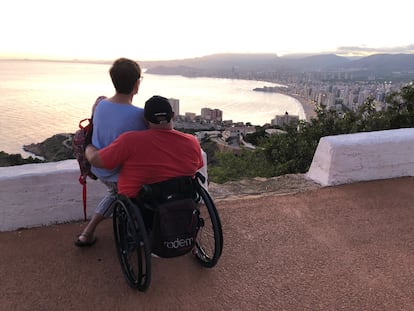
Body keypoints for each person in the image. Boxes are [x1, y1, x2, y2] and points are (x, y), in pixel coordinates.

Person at [75, 58, 147, 247]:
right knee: (118, 193)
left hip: (98, 166)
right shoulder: (139, 115)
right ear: (136, 84)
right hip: (118, 173)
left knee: (114, 192)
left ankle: (88, 233)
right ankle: (89, 232)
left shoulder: (100, 104)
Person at [85, 95, 204, 201]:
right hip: (181, 200)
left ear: (145, 119)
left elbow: (98, 161)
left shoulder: (130, 141)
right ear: (172, 116)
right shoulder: (192, 142)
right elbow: (198, 165)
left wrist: (88, 147)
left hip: (143, 203)